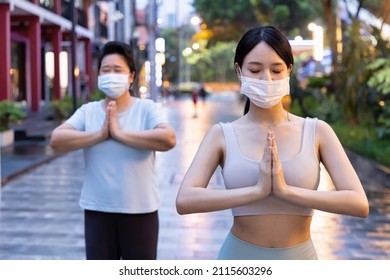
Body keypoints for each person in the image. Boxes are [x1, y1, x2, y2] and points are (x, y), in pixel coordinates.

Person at [175, 25, 369, 260]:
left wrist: (286, 191)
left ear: (289, 70)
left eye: (276, 70)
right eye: (255, 70)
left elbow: (358, 203)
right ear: (239, 70)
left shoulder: (317, 131)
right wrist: (257, 191)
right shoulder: (222, 134)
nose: (266, 78)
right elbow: (185, 200)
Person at [50, 41, 176, 260]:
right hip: (97, 210)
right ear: (98, 77)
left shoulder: (145, 109)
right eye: (105, 70)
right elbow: (57, 139)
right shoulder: (88, 111)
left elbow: (168, 138)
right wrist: (99, 134)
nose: (111, 75)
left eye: (117, 70)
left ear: (131, 77)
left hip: (140, 209)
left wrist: (120, 134)